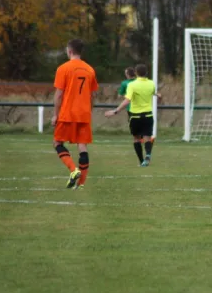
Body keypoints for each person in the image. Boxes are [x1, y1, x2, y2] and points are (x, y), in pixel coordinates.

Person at [52, 39, 99, 189]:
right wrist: (89, 111)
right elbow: (93, 95)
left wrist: (55, 114)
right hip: (84, 114)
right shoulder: (90, 70)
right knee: (82, 145)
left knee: (57, 142)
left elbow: (58, 95)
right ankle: (82, 183)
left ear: (70, 51)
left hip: (67, 113)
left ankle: (73, 170)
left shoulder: (63, 68)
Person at [105, 64, 159, 166]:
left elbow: (127, 100)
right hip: (148, 115)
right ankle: (148, 154)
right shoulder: (151, 83)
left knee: (136, 138)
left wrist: (115, 111)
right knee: (147, 137)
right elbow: (152, 93)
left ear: (136, 73)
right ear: (146, 73)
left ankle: (141, 160)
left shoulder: (132, 85)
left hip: (135, 116)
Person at [118, 67, 144, 161]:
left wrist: (128, 96)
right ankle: (144, 141)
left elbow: (120, 95)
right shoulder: (140, 81)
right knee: (144, 133)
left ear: (127, 74)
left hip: (132, 110)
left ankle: (142, 158)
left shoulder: (125, 83)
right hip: (143, 109)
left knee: (136, 136)